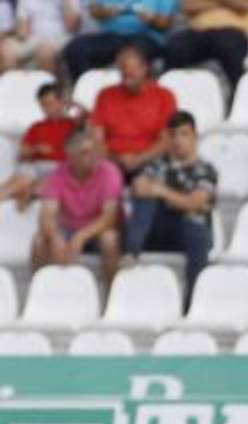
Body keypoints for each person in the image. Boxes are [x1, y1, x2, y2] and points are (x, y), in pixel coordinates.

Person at [124, 110, 217, 303]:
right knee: (145, 203)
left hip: (188, 231)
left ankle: (194, 300)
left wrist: (162, 191)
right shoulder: (158, 165)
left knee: (197, 231)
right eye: (174, 135)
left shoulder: (206, 170)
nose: (178, 140)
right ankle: (130, 254)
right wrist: (178, 200)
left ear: (194, 137)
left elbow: (196, 203)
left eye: (184, 134)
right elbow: (139, 187)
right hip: (157, 227)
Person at [32, 128, 123, 283]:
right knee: (40, 241)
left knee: (110, 239)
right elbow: (46, 214)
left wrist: (80, 237)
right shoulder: (58, 174)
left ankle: (112, 293)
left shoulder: (109, 172)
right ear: (71, 156)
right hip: (68, 228)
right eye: (85, 152)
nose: (92, 156)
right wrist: (55, 237)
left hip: (96, 230)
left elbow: (109, 218)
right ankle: (43, 290)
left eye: (94, 151)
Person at [89, 43, 178, 179]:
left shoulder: (164, 96)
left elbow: (166, 141)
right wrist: (116, 159)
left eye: (132, 68)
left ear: (145, 68)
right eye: (123, 68)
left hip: (150, 160)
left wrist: (138, 160)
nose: (127, 73)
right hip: (111, 161)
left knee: (146, 182)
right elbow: (97, 139)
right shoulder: (105, 95)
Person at [0, 82, 80, 208]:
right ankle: (23, 193)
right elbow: (22, 154)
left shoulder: (73, 125)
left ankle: (29, 193)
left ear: (61, 102)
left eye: (50, 103)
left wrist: (73, 103)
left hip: (61, 169)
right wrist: (36, 149)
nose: (47, 108)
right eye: (43, 105)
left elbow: (92, 118)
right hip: (36, 167)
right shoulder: (36, 127)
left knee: (45, 182)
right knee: (22, 179)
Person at [62, 0, 179, 81]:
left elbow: (165, 23)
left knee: (134, 56)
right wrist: (106, 12)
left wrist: (152, 18)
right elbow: (95, 10)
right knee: (75, 49)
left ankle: (141, 99)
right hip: (112, 36)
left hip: (147, 36)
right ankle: (86, 97)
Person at [163, 0, 248, 98]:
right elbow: (189, 6)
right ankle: (170, 98)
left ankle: (238, 100)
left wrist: (209, 3)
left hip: (234, 31)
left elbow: (244, 5)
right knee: (175, 47)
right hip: (199, 31)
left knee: (229, 48)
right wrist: (227, 4)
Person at [0, 0, 81, 72]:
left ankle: (50, 88)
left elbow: (72, 26)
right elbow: (23, 29)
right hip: (34, 39)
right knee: (6, 49)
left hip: (61, 37)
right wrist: (22, 34)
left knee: (45, 51)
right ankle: (15, 87)